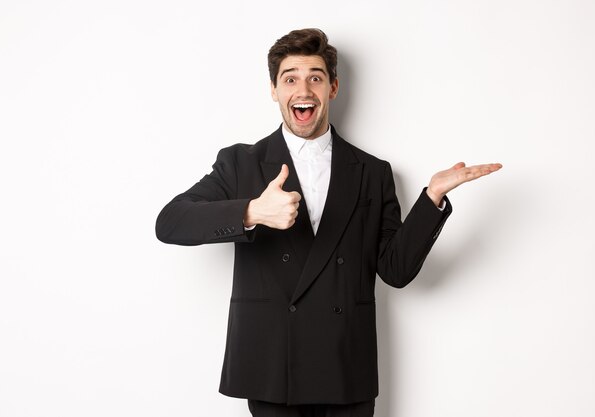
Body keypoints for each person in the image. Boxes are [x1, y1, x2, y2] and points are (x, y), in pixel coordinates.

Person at [156, 28, 501, 417]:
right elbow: (170, 222)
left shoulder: (372, 172)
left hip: (344, 368)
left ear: (333, 88)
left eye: (315, 78)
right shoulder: (240, 163)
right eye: (290, 78)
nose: (303, 90)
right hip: (273, 369)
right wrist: (251, 212)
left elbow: (396, 270)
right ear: (274, 89)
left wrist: (432, 198)